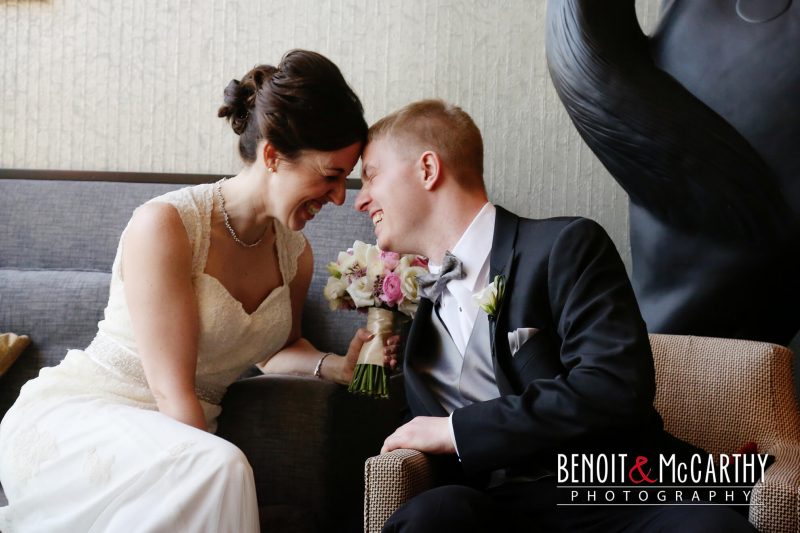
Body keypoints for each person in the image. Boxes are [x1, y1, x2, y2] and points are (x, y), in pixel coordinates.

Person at [0, 49, 397, 532]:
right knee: (224, 468)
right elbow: (173, 394)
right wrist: (202, 461)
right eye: (331, 176)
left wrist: (338, 366)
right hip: (89, 419)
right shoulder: (166, 226)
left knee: (216, 469)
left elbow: (278, 351)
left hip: (186, 441)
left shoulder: (296, 255)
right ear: (272, 155)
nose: (340, 198)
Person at [355, 99, 756, 532]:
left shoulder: (566, 246)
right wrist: (360, 374)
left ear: (428, 169)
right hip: (501, 508)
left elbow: (614, 387)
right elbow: (414, 431)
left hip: (613, 493)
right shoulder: (421, 328)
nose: (360, 199)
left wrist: (456, 431)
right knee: (431, 517)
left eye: (371, 176)